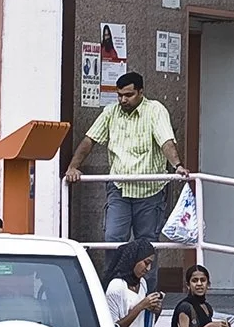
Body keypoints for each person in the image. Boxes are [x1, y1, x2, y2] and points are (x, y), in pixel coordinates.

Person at [65, 72, 189, 289]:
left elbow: (166, 141)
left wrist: (177, 165)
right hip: (119, 189)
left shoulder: (155, 110)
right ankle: (112, 292)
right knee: (113, 241)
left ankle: (148, 297)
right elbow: (89, 140)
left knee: (147, 245)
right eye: (120, 95)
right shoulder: (110, 112)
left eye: (129, 95)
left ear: (141, 92)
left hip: (150, 192)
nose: (123, 100)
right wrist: (73, 167)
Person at [102, 237, 163, 327]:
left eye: (151, 264)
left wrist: (155, 310)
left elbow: (144, 326)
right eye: (146, 263)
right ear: (134, 259)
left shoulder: (142, 284)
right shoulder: (117, 286)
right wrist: (141, 306)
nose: (148, 268)